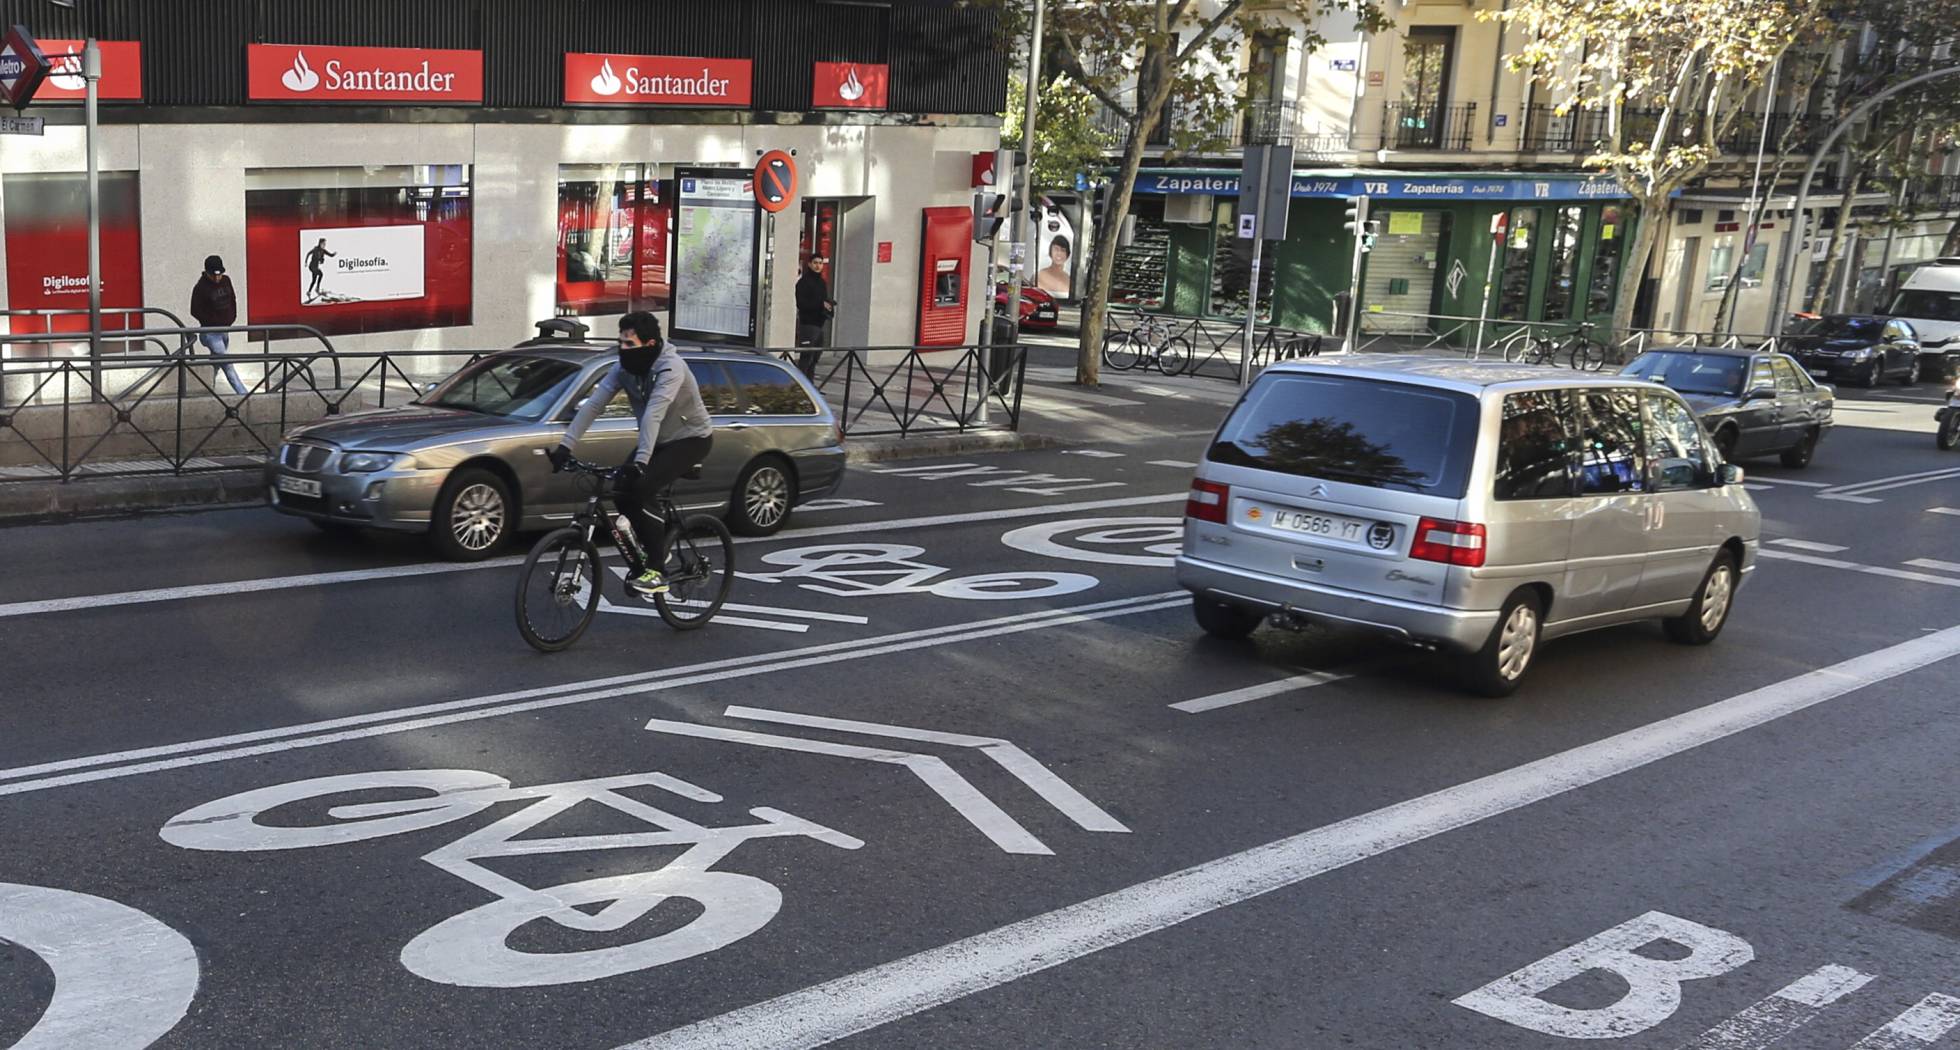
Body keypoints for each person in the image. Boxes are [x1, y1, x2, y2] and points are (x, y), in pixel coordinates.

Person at [549, 312, 713, 596]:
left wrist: (640, 462)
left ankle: (657, 570)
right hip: (657, 440)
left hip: (690, 439)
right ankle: (656, 547)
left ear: (650, 344)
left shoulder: (671, 368)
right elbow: (593, 406)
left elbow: (654, 414)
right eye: (620, 342)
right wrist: (566, 446)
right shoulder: (623, 368)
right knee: (621, 491)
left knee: (640, 488)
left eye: (629, 344)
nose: (622, 349)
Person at [188, 255, 247, 396]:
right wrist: (212, 322)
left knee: (216, 363)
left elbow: (233, 299)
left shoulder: (226, 281)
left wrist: (231, 318)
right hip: (210, 333)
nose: (217, 278)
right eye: (213, 275)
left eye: (219, 275)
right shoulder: (200, 288)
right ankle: (244, 395)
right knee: (227, 365)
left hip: (224, 329)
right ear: (207, 273)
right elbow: (194, 310)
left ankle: (206, 390)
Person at [794, 256, 835, 376]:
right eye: (815, 263)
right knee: (806, 358)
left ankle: (810, 386)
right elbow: (801, 304)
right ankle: (800, 387)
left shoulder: (822, 282)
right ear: (809, 264)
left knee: (815, 357)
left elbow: (823, 300)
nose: (818, 266)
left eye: (820, 263)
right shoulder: (803, 283)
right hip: (808, 324)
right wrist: (820, 304)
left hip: (819, 324)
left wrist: (828, 305)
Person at [305, 238, 335, 303]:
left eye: (325, 244)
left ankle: (309, 292)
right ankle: (317, 289)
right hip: (312, 266)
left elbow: (330, 255)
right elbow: (308, 253)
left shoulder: (323, 251)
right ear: (320, 243)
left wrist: (334, 254)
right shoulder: (315, 249)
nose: (324, 245)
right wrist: (305, 262)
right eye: (323, 244)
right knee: (321, 274)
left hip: (316, 267)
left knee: (314, 280)